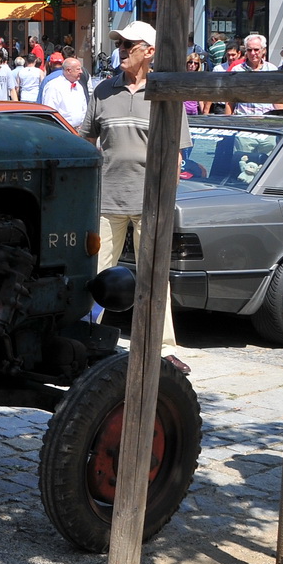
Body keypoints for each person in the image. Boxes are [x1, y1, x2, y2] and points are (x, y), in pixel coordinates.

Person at [82, 20, 190, 348]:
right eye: (120, 44)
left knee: (154, 275)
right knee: (96, 275)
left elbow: (175, 156)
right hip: (107, 200)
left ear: (150, 51)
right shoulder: (103, 90)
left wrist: (164, 201)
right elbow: (87, 141)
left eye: (130, 45)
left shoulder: (165, 93)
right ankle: (86, 336)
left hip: (149, 201)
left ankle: (161, 345)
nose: (122, 50)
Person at [232, 32, 279, 115]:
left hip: (267, 118)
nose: (253, 53)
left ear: (263, 50)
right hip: (243, 118)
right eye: (249, 50)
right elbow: (230, 99)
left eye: (256, 49)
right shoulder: (237, 70)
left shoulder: (272, 69)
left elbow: (277, 98)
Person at [40, 53, 89, 128]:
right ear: (69, 70)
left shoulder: (79, 86)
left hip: (78, 130)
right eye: (78, 69)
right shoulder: (54, 86)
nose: (81, 72)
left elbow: (84, 108)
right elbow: (50, 111)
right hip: (61, 129)